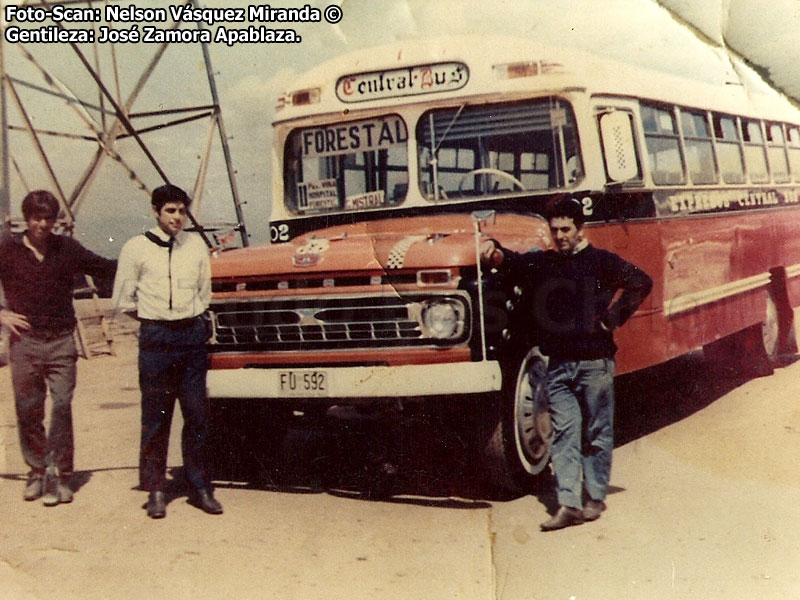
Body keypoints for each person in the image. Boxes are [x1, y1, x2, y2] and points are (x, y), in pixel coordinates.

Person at [481, 198, 652, 531]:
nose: (559, 236)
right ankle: (569, 504)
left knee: (597, 432)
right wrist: (493, 251)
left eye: (565, 229)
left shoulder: (602, 262)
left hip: (595, 365)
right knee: (564, 434)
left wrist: (612, 319)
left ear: (579, 228)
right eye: (554, 229)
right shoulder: (545, 264)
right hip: (557, 366)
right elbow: (514, 263)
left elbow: (641, 281)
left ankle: (596, 496)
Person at [0, 190, 117, 506]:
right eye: (37, 218)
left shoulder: (67, 248)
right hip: (24, 342)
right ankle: (37, 470)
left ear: (55, 220)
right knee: (28, 408)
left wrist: (143, 259)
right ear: (27, 219)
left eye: (48, 218)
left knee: (62, 405)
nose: (42, 224)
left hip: (62, 340)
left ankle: (61, 475)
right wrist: (1, 314)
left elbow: (104, 267)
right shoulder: (7, 248)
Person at [112, 184, 222, 519]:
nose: (177, 218)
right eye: (170, 211)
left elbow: (204, 293)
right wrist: (154, 321)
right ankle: (156, 489)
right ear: (156, 211)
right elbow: (123, 300)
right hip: (156, 338)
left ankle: (200, 486)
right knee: (156, 418)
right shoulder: (135, 248)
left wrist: (187, 322)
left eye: (181, 211)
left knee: (197, 415)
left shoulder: (196, 247)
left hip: (191, 337)